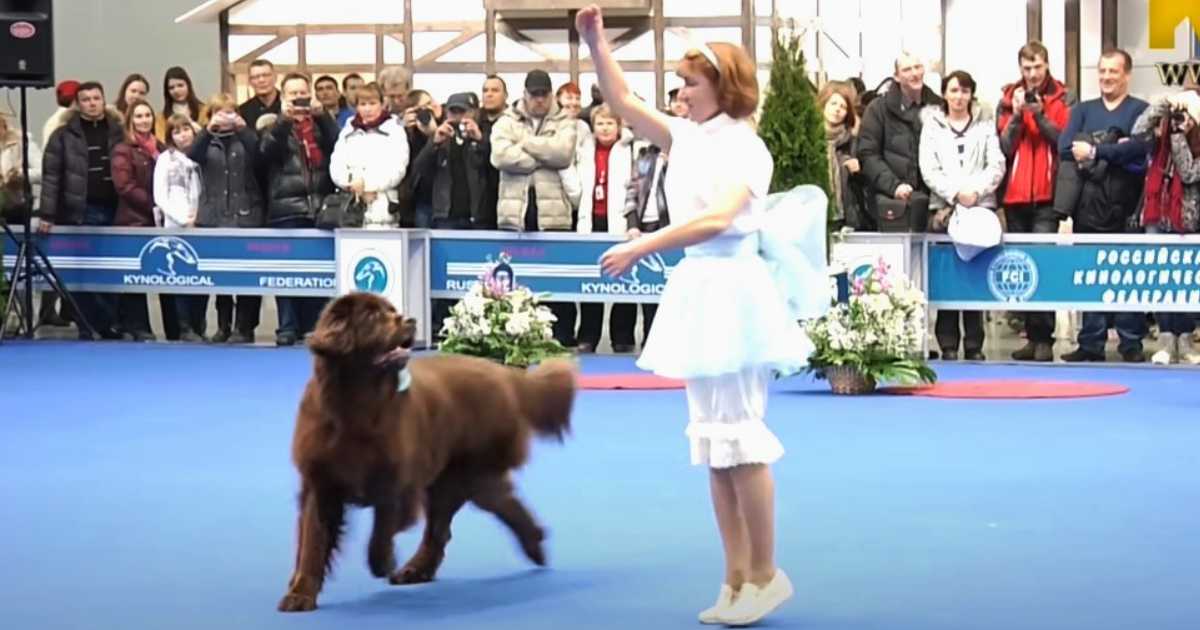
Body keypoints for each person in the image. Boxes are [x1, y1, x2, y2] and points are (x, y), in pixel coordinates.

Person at [577, 4, 809, 625]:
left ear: (722, 89)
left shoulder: (748, 148)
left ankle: (766, 573)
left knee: (742, 439)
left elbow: (718, 219)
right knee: (712, 443)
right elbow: (622, 100)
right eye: (679, 83)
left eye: (690, 83)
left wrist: (638, 244)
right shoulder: (685, 136)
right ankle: (734, 577)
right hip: (700, 287)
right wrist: (596, 42)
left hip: (735, 288)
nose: (679, 92)